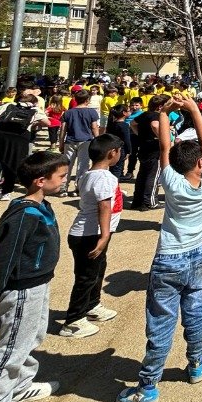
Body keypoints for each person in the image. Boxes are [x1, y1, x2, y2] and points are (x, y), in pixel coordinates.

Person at [116, 96, 202, 402]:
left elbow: (164, 147)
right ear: (201, 164)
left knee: (161, 321)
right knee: (197, 312)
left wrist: (163, 113)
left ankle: (148, 386)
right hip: (200, 255)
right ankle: (196, 363)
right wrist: (193, 111)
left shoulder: (172, 183)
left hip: (170, 258)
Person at [0, 151, 69, 402]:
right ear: (41, 181)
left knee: (33, 335)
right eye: (61, 176)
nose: (64, 180)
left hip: (39, 283)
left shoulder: (41, 207)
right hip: (21, 289)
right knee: (12, 348)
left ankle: (20, 386)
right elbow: (3, 257)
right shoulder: (23, 215)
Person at [59, 134, 124, 339]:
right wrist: (104, 236)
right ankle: (73, 320)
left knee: (97, 271)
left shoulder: (88, 174)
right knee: (86, 277)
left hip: (92, 233)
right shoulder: (104, 178)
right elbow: (103, 206)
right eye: (118, 151)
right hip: (90, 234)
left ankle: (92, 304)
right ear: (112, 153)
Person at [131, 94, 170, 211]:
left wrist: (141, 134)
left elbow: (132, 123)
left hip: (144, 147)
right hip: (155, 149)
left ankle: (138, 200)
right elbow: (154, 125)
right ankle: (151, 201)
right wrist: (163, 138)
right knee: (153, 175)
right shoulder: (156, 116)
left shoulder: (144, 114)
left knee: (142, 174)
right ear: (160, 106)